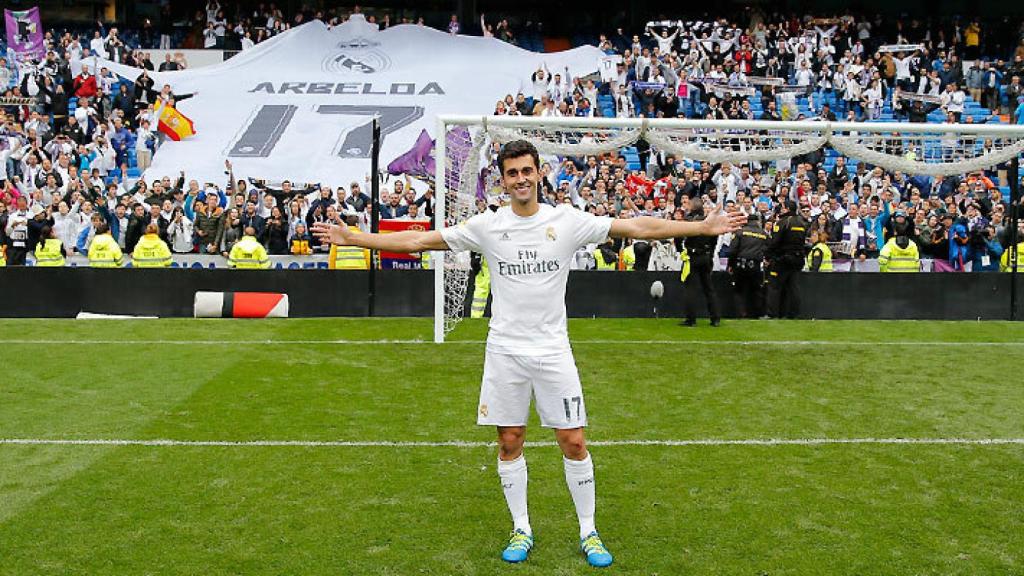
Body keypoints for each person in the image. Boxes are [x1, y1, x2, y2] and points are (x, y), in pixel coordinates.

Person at [313, 139, 744, 568]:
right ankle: (522, 527)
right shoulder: (488, 226)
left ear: (539, 173)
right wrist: (355, 237)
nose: (520, 179)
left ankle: (588, 531)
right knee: (509, 440)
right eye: (512, 173)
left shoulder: (567, 220)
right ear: (503, 181)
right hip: (504, 352)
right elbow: (418, 242)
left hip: (554, 351)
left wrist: (702, 228)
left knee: (573, 442)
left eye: (526, 171)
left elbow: (637, 228)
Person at [680, 197, 721, 326]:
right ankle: (715, 318)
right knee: (709, 288)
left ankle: (691, 319)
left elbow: (677, 236)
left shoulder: (688, 221)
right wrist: (710, 256)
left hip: (692, 256)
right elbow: (714, 240)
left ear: (692, 207)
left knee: (690, 288)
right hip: (706, 256)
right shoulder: (708, 222)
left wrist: (681, 250)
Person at [765, 201, 809, 318]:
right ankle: (793, 314)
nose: (781, 209)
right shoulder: (803, 223)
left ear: (787, 209)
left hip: (782, 259)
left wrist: (768, 256)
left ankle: (772, 313)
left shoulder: (783, 222)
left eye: (783, 207)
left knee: (774, 286)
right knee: (793, 287)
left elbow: (775, 242)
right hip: (798, 259)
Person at [727, 213, 767, 318]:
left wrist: (730, 264)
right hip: (756, 265)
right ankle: (756, 314)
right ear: (758, 222)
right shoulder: (763, 234)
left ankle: (740, 313)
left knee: (739, 290)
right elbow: (769, 249)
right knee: (756, 290)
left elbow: (732, 250)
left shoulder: (740, 232)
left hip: (741, 264)